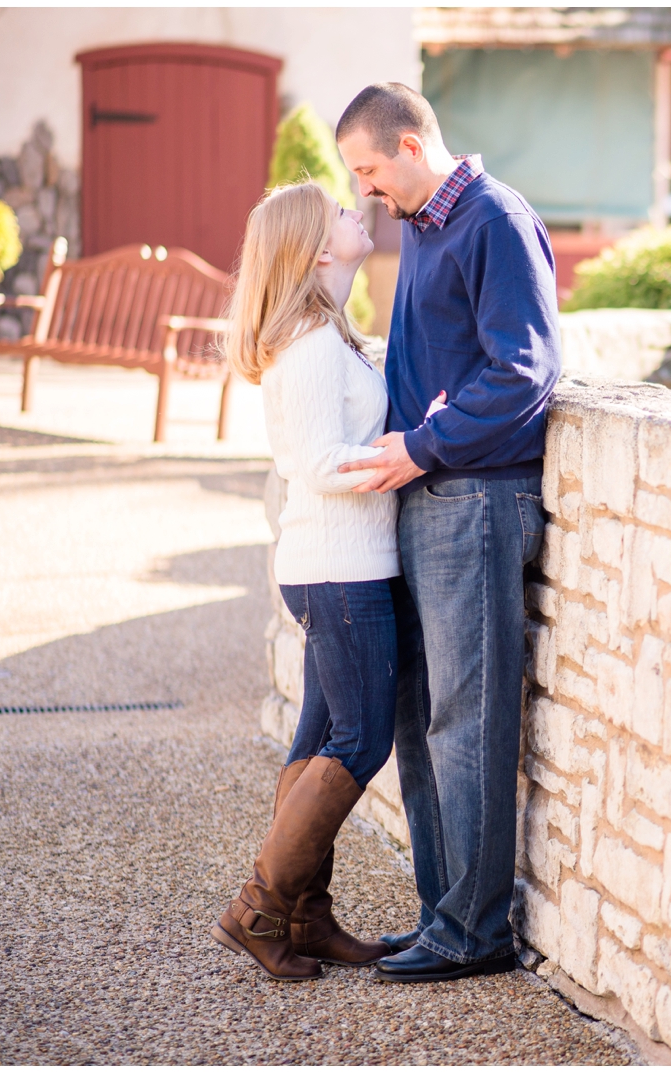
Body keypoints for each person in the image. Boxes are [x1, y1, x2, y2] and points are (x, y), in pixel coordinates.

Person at [334, 82, 561, 983]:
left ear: (413, 146)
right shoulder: (425, 224)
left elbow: (526, 371)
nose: (364, 192)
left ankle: (475, 931)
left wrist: (422, 444)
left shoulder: (494, 221)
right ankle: (442, 915)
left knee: (466, 715)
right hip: (428, 494)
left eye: (369, 170)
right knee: (420, 717)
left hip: (475, 499)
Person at [210, 181, 399, 981]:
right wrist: (408, 448)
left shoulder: (327, 334)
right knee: (361, 739)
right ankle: (258, 908)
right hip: (340, 570)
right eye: (342, 215)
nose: (359, 213)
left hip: (332, 566)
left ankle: (303, 915)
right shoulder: (316, 343)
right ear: (320, 250)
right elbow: (319, 464)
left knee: (319, 738)